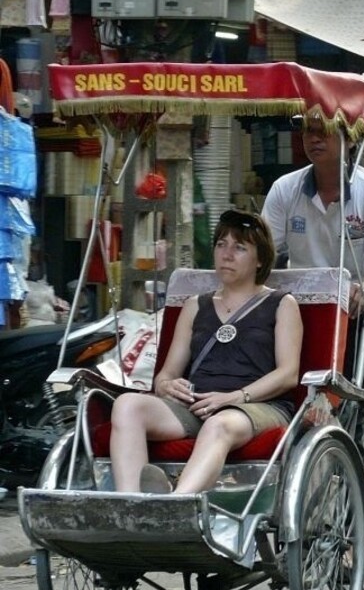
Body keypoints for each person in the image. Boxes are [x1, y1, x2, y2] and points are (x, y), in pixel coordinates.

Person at [109, 210, 303, 494]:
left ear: (260, 258)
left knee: (218, 424)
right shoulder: (194, 306)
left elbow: (288, 375)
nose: (227, 254)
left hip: (255, 406)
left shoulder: (281, 304)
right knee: (127, 406)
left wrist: (233, 397)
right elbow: (167, 373)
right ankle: (132, 502)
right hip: (196, 404)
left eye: (239, 247)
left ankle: (175, 503)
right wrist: (167, 385)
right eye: (221, 245)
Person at [262, 110, 364, 309]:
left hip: (353, 309)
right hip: (297, 307)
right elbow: (263, 253)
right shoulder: (284, 189)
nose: (314, 139)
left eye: (324, 130)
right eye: (308, 131)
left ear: (349, 139)